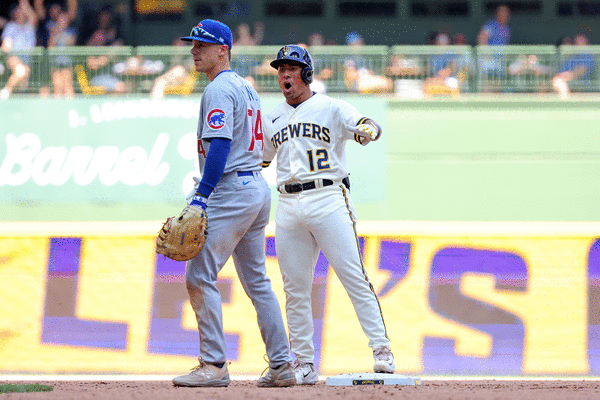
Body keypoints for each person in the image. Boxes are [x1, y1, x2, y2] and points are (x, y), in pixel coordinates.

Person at [171, 19, 295, 388]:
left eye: (202, 45)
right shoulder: (244, 86)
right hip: (255, 187)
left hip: (232, 189)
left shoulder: (220, 89)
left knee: (199, 276)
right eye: (193, 44)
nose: (194, 50)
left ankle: (213, 365)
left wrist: (201, 196)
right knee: (257, 281)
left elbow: (220, 145)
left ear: (222, 50)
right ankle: (282, 364)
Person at [262, 45, 395, 385]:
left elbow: (368, 126)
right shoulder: (273, 117)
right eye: (280, 69)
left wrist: (367, 129)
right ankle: (304, 362)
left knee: (354, 276)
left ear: (306, 73)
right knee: (295, 288)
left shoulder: (331, 107)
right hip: (288, 205)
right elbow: (261, 160)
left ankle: (381, 349)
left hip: (327, 197)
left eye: (291, 68)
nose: (285, 74)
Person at [0, 0, 38, 100]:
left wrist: (24, 4)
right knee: (20, 71)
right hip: (14, 56)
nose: (21, 13)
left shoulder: (30, 26)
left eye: (23, 11)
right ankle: (5, 91)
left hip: (27, 59)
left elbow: (33, 17)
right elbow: (6, 44)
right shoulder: (10, 26)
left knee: (22, 86)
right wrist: (6, 45)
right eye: (18, 11)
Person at [553, 32, 597, 100]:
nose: (578, 44)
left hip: (582, 84)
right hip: (570, 83)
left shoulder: (588, 56)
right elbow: (562, 70)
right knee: (554, 80)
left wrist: (566, 76)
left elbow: (581, 71)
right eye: (576, 42)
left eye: (581, 42)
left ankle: (566, 102)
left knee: (558, 80)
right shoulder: (573, 57)